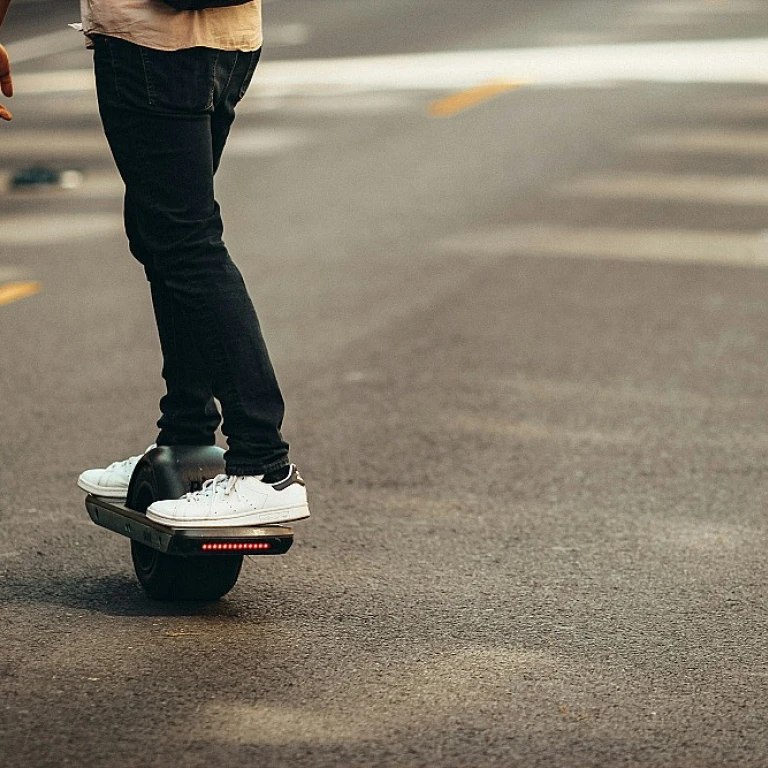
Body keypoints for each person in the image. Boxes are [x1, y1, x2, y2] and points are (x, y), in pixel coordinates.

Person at [1, 0, 310, 527]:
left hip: (148, 43)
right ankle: (186, 435)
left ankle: (263, 466)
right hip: (230, 38)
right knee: (163, 233)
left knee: (186, 243)